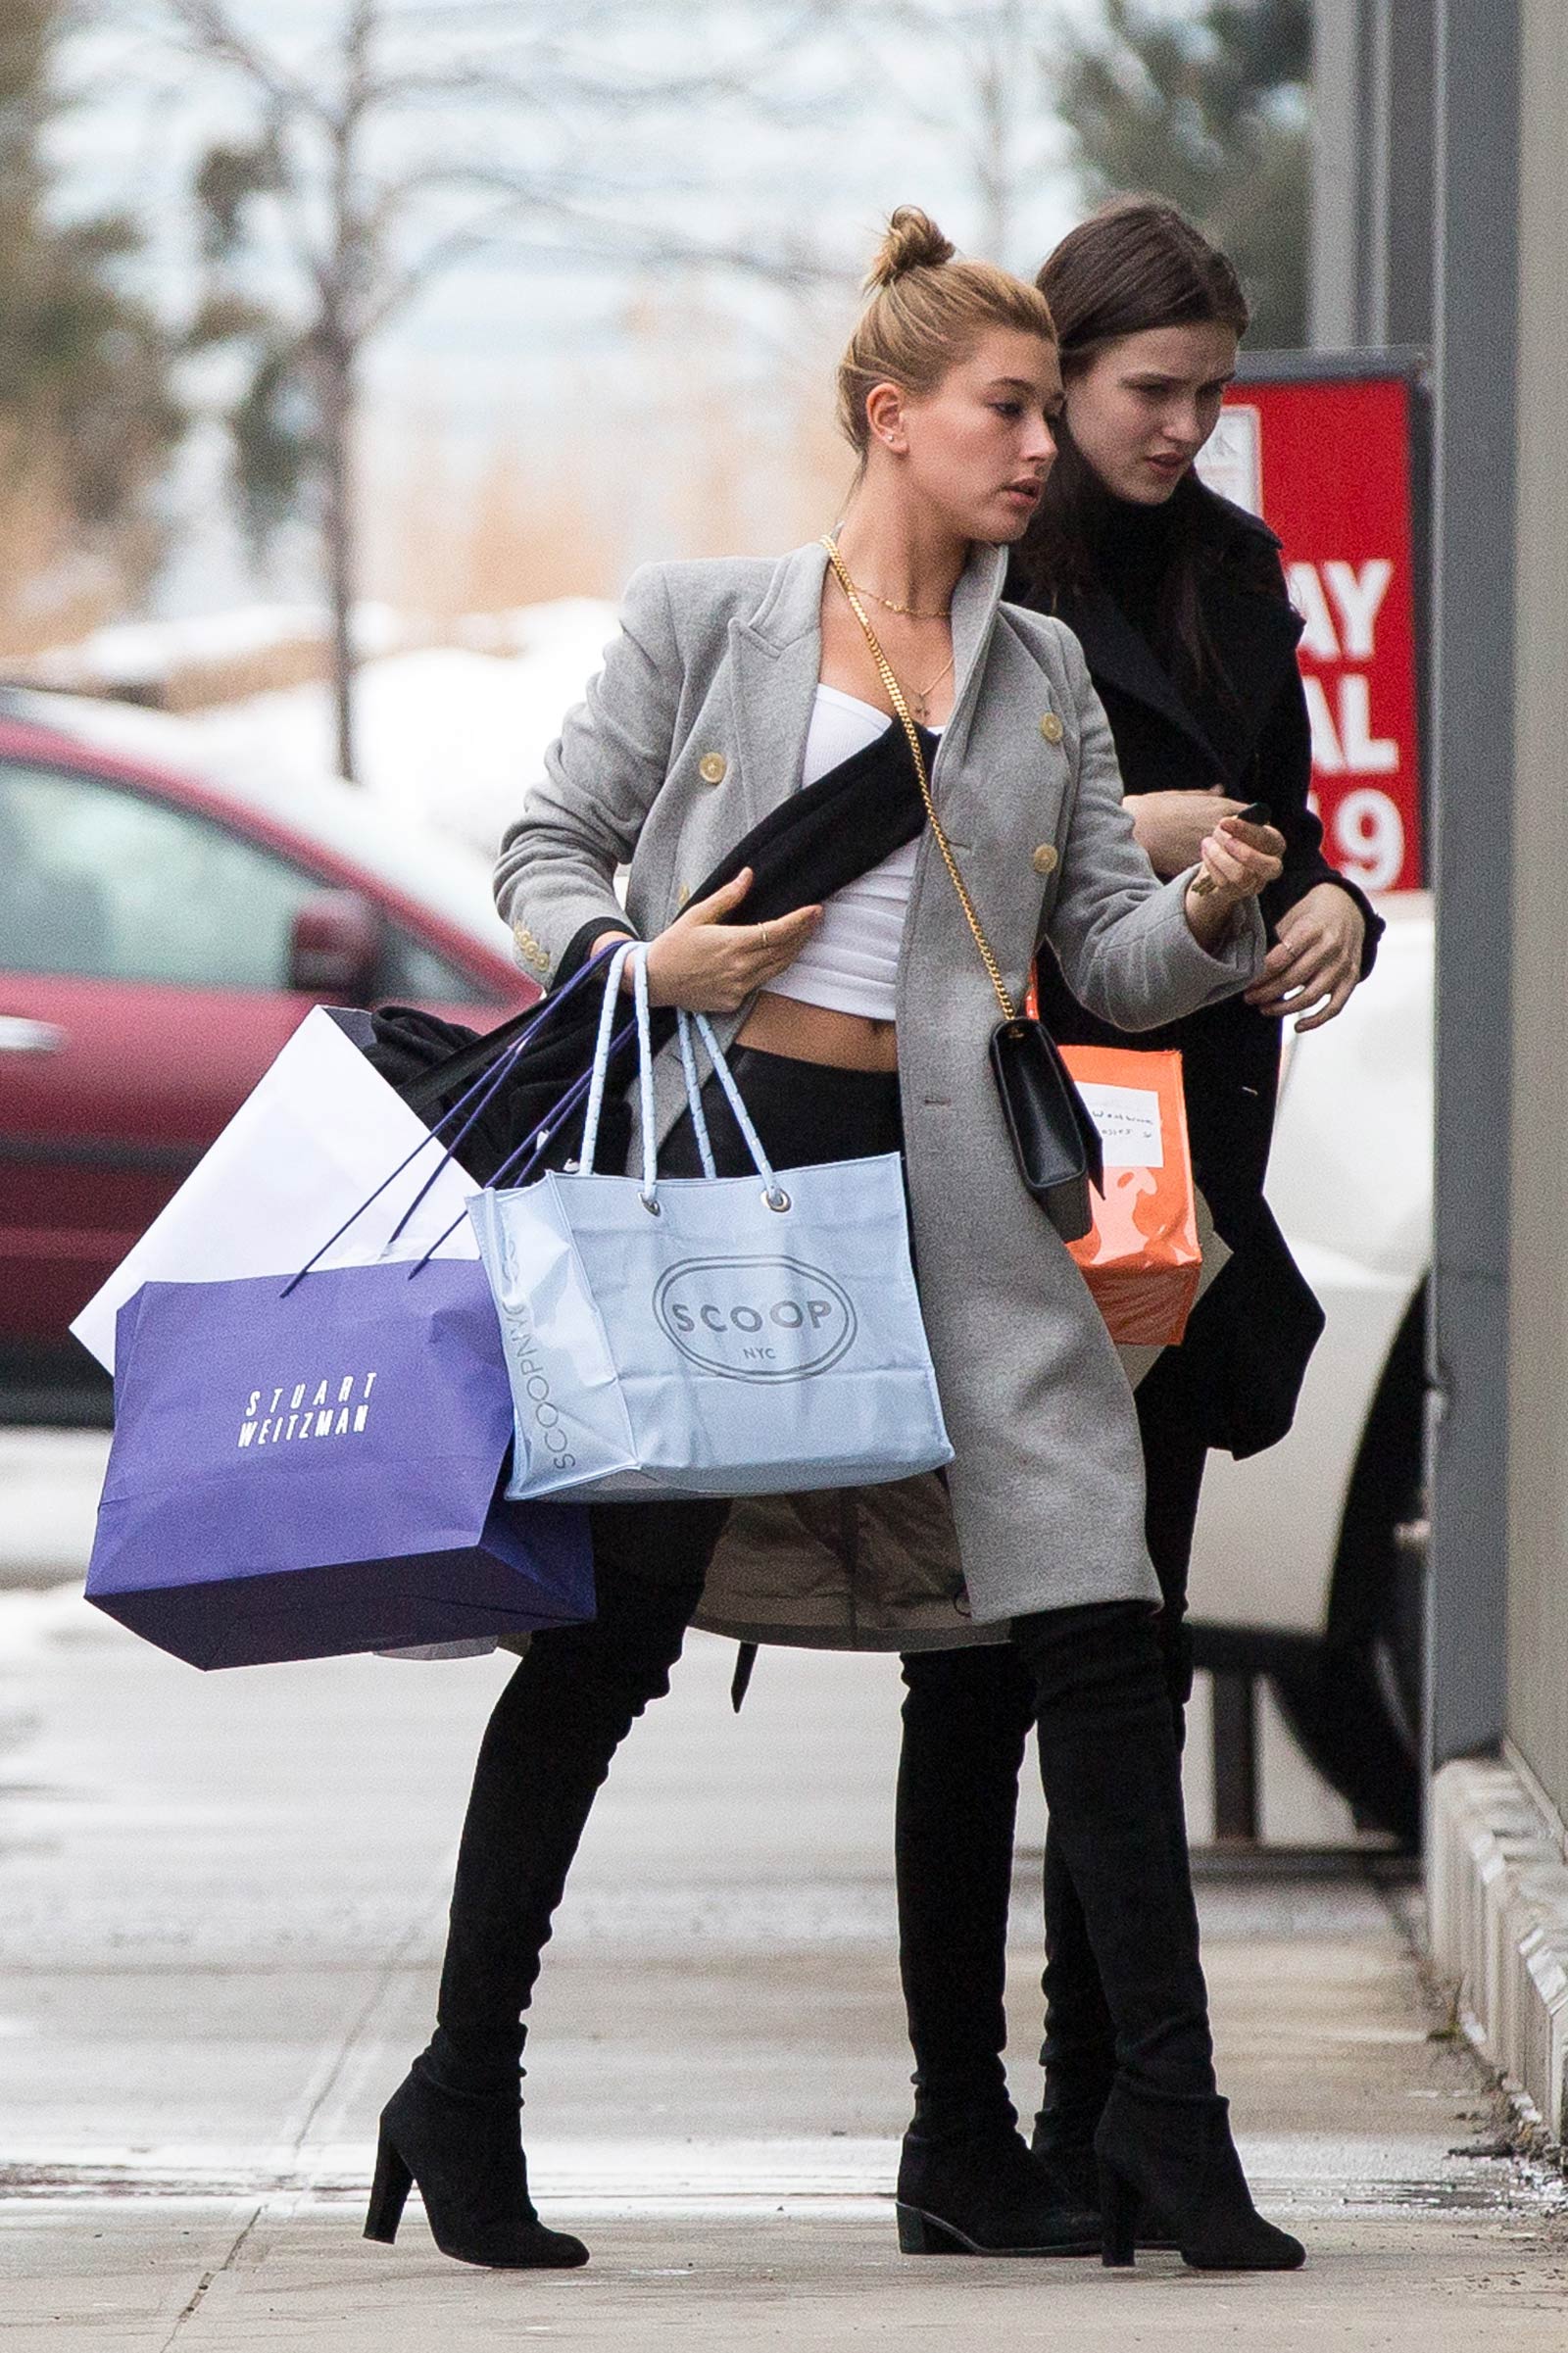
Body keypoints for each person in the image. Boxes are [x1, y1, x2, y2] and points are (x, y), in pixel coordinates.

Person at [365, 205, 1301, 2278]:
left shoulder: (1037, 667)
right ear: (890, 417)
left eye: (1049, 415)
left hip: (962, 1196)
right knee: (602, 1650)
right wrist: (639, 953)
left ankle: (1174, 2134)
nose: (1037, 449)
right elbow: (540, 847)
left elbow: (1096, 966)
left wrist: (1215, 910)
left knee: (1094, 1635)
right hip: (718, 1176)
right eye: (1003, 411)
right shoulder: (707, 622)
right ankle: (460, 2082)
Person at [893, 195, 1380, 2256]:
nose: (1181, 426)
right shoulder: (980, 588)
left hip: (1186, 1178)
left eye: (1207, 394)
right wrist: (1140, 837)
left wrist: (1324, 894)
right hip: (1018, 1168)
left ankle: (1102, 2105)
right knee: (979, 1660)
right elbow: (906, 864)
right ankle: (959, 2119)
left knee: (1132, 1645)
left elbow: (1293, 808)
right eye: (1142, 393)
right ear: (1061, 379)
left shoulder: (1242, 572)